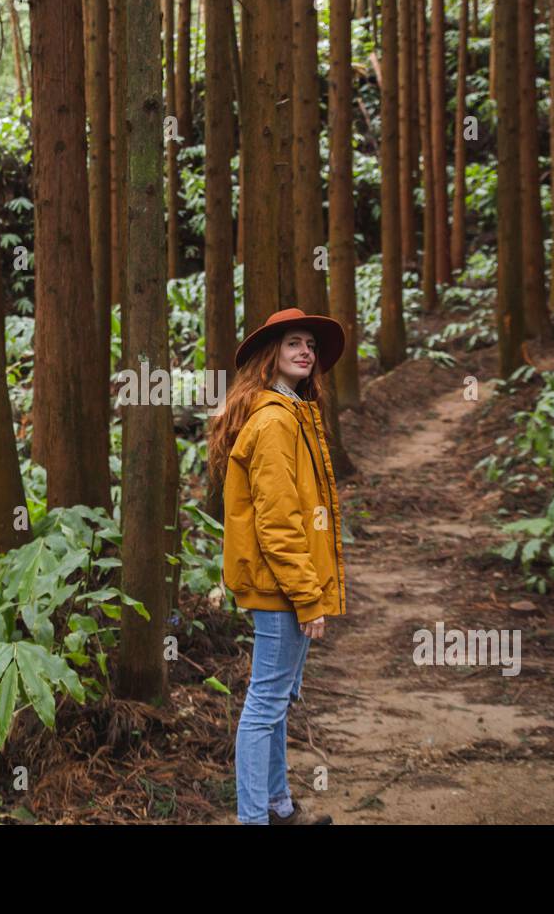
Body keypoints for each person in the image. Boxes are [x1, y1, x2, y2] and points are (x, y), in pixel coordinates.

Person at [207, 307, 349, 825]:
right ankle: (254, 818)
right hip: (281, 588)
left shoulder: (291, 414)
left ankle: (278, 807)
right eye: (293, 343)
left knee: (275, 702)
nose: (305, 352)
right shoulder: (273, 421)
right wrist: (307, 596)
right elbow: (279, 522)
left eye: (310, 344)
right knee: (265, 706)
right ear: (272, 356)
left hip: (284, 585)